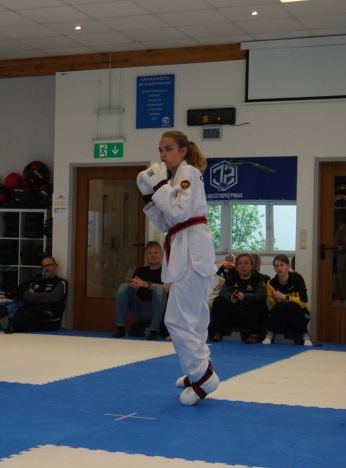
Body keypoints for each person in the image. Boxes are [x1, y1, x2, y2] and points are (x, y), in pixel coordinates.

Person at [136, 130, 219, 406]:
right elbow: (166, 222)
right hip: (187, 251)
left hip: (191, 255)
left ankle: (203, 376)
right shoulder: (174, 180)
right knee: (193, 319)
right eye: (160, 150)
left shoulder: (188, 173)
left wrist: (159, 185)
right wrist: (149, 199)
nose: (163, 155)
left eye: (168, 148)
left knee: (177, 320)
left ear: (183, 150)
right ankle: (197, 370)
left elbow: (179, 212)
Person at [112, 240, 168, 340]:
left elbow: (167, 288)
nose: (153, 255)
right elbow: (132, 287)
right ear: (146, 256)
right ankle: (120, 327)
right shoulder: (140, 271)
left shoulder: (166, 272)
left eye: (156, 252)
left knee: (159, 289)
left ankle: (154, 330)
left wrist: (146, 284)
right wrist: (135, 284)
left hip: (158, 311)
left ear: (161, 255)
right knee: (124, 287)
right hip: (140, 309)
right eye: (150, 253)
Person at [209, 253, 267, 344]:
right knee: (219, 300)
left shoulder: (259, 279)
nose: (243, 266)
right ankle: (217, 332)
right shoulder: (231, 279)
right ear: (236, 266)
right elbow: (223, 292)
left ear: (251, 266)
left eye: (246, 263)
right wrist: (231, 298)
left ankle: (253, 334)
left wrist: (245, 296)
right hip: (234, 312)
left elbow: (261, 295)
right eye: (240, 263)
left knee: (250, 301)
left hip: (251, 313)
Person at [3, 255, 67, 333]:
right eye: (44, 266)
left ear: (55, 266)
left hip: (51, 318)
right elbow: (26, 296)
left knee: (25, 319)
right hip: (34, 312)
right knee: (16, 311)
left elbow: (53, 297)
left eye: (49, 265)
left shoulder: (61, 282)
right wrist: (44, 295)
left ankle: (12, 325)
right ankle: (12, 324)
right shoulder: (37, 280)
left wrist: (36, 295)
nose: (47, 268)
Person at [262, 254, 312, 346]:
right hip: (281, 314)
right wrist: (280, 300)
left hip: (298, 313)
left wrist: (285, 297)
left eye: (282, 265)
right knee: (280, 306)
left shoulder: (297, 278)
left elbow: (304, 301)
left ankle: (306, 336)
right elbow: (272, 305)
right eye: (276, 266)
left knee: (291, 305)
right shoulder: (271, 283)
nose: (279, 268)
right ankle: (269, 335)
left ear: (288, 266)